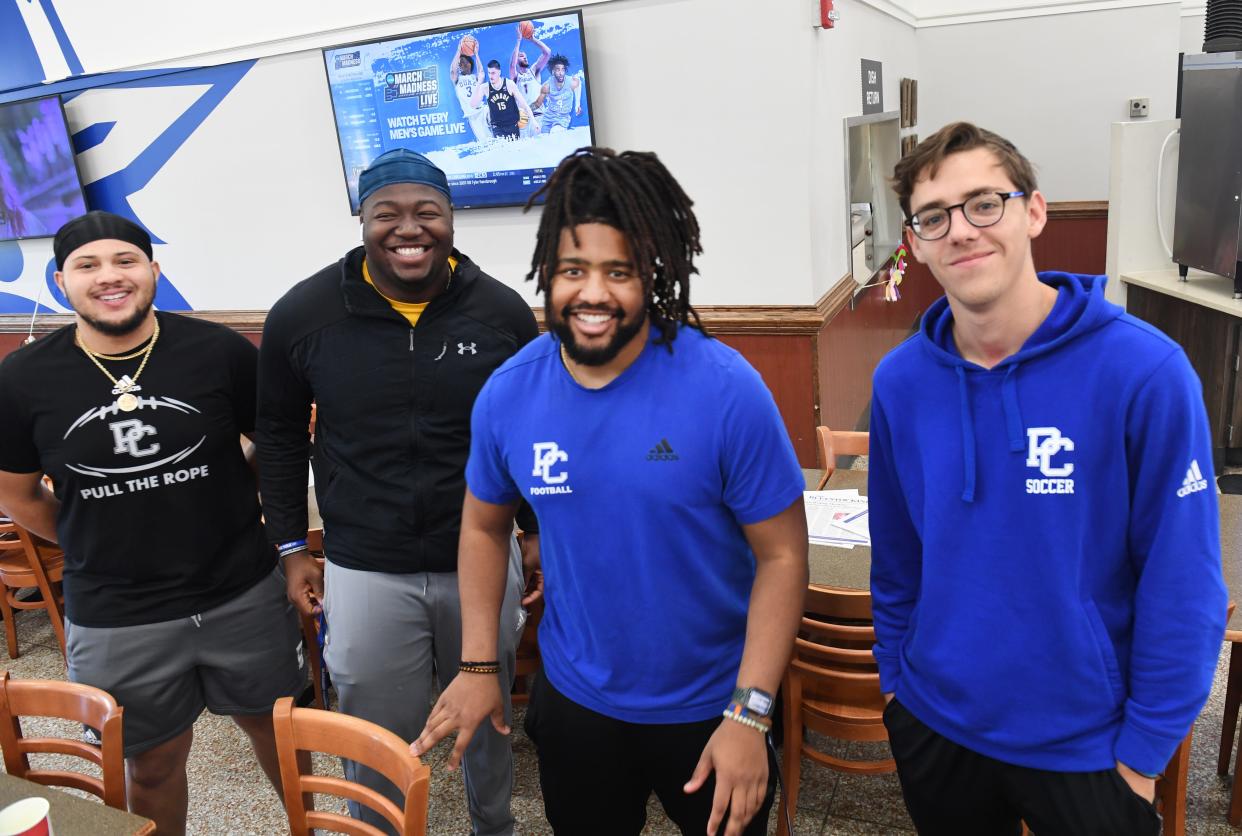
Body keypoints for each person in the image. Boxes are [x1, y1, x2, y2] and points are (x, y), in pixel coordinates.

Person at [412, 147, 809, 836]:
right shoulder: (510, 393)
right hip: (578, 704)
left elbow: (782, 557)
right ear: (547, 274)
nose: (592, 293)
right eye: (572, 270)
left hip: (714, 707)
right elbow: (482, 527)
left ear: (651, 274)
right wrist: (480, 664)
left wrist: (752, 713)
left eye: (617, 271)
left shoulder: (726, 389)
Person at [869, 121, 1228, 835]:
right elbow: (899, 558)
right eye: (934, 217)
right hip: (937, 725)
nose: (962, 231)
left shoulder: (1144, 373)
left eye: (984, 203)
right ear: (914, 242)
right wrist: (897, 690)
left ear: (1034, 212)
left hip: (1091, 746)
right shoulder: (900, 382)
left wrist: (1143, 756)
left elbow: (1183, 583)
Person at [256, 148, 538, 836]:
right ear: (362, 219)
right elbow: (281, 437)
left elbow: (529, 436)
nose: (407, 228)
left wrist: (536, 534)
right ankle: (378, 828)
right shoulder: (304, 315)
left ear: (450, 220)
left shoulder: (501, 314)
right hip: (363, 562)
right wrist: (292, 546)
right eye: (387, 213)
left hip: (480, 554)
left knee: (490, 706)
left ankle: (492, 824)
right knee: (372, 725)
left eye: (426, 213)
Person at [0, 211, 306, 836]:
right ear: (62, 282)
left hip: (241, 592)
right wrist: (92, 535)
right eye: (88, 266)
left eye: (126, 261)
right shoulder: (21, 379)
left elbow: (272, 444)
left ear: (154, 272)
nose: (109, 277)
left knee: (280, 738)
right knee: (154, 764)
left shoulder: (217, 350)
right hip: (117, 613)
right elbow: (20, 495)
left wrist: (228, 497)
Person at [470, 59, 537, 142]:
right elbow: (473, 105)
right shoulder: (485, 87)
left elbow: (524, 105)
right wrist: (479, 82)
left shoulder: (509, 84)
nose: (491, 76)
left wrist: (533, 121)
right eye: (489, 73)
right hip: (497, 127)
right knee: (502, 151)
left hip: (513, 125)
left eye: (493, 73)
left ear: (499, 72)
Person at [508, 25, 551, 139]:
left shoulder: (534, 71)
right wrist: (518, 40)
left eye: (526, 56)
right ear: (517, 60)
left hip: (540, 117)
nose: (525, 58)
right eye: (521, 56)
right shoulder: (515, 77)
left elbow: (547, 52)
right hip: (524, 121)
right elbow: (512, 65)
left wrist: (532, 39)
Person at [449, 42, 490, 144]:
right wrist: (459, 51)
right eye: (459, 63)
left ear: (469, 64)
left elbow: (481, 72)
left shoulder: (475, 77)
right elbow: (452, 71)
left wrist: (476, 54)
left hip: (483, 109)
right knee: (486, 141)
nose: (460, 64)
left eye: (462, 62)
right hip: (472, 115)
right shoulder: (457, 79)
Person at [534, 55, 581, 134]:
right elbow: (538, 103)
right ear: (553, 71)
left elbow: (579, 83)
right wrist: (526, 110)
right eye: (558, 70)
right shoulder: (546, 86)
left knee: (554, 132)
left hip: (563, 118)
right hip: (548, 118)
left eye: (563, 69)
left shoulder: (571, 82)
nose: (561, 73)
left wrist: (577, 104)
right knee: (544, 140)